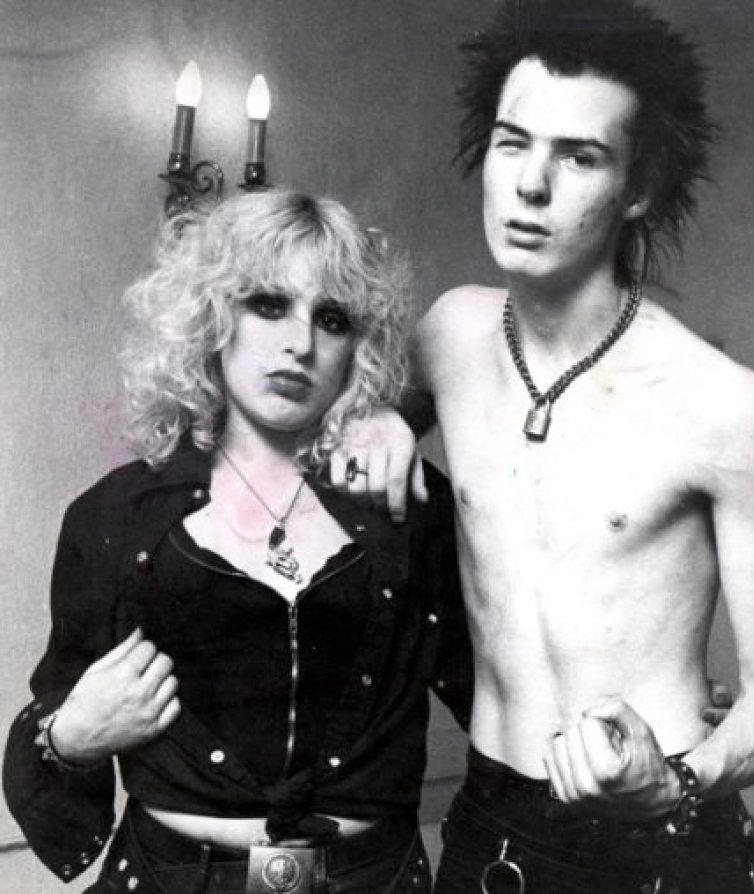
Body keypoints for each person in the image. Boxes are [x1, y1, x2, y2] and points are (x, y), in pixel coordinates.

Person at [331, 1, 754, 891]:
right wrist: (381, 417)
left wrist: (675, 782)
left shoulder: (721, 403)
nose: (530, 184)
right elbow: (334, 427)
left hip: (659, 832)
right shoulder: (448, 335)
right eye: (512, 143)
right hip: (488, 817)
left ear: (638, 188)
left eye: (579, 156)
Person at [3, 190, 472, 893]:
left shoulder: (412, 506)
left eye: (332, 319)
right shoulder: (116, 516)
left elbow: (497, 699)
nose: (299, 343)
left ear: (358, 346)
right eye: (269, 305)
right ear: (212, 314)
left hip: (374, 879)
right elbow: (57, 715)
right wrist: (68, 738)